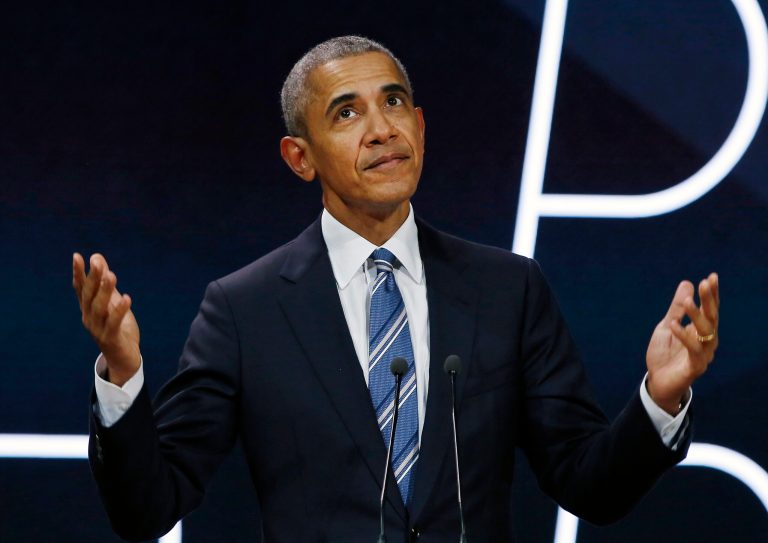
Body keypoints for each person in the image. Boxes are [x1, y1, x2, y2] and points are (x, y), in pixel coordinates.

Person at [72, 36, 719, 542]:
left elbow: (590, 487)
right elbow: (147, 508)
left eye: (394, 102)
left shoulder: (508, 289)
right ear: (300, 157)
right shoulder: (245, 309)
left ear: (421, 126)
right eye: (347, 112)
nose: (382, 129)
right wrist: (122, 375)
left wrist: (660, 398)